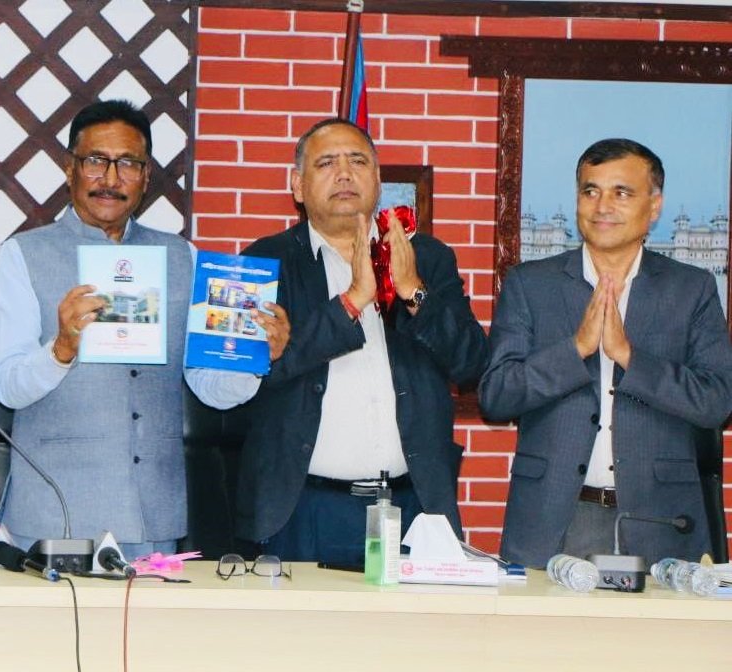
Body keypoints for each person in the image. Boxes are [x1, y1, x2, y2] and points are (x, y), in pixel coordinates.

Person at [219, 118, 488, 564]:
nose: (344, 173)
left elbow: (472, 364)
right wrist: (352, 302)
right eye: (326, 163)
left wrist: (414, 292)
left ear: (378, 180)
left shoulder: (428, 257)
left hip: (413, 506)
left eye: (358, 162)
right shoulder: (262, 262)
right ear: (298, 186)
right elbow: (247, 380)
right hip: (301, 509)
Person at [0, 99, 246, 559]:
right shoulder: (21, 255)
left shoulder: (183, 257)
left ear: (146, 177)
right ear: (70, 168)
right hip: (54, 512)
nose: (110, 178)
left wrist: (252, 357)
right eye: (96, 161)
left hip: (152, 513)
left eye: (128, 163)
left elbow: (211, 388)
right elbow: (8, 387)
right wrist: (61, 349)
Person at [479, 138, 732, 567]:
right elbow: (496, 395)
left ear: (654, 206)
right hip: (556, 520)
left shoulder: (692, 289)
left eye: (622, 193)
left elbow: (717, 401)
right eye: (590, 191)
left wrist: (629, 357)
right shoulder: (530, 284)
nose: (602, 206)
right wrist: (576, 349)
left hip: (662, 521)